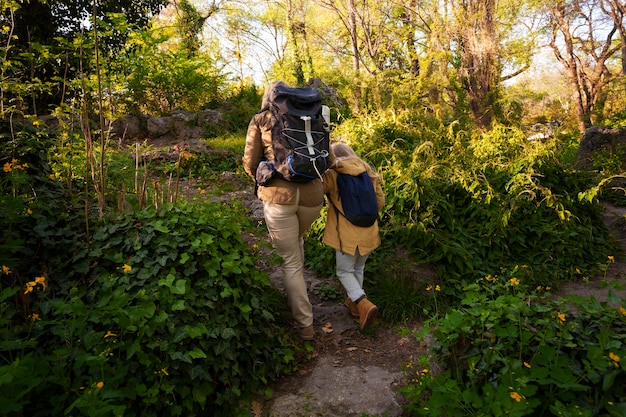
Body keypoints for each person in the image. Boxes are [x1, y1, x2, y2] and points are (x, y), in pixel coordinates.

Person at [242, 80, 330, 341]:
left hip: (279, 196)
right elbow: (328, 158)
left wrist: (260, 176)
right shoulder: (317, 115)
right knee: (296, 245)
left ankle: (305, 326)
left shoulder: (262, 119)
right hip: (313, 196)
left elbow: (249, 160)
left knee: (290, 262)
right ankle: (299, 299)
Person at [322, 143, 384, 330]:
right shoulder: (368, 172)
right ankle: (356, 307)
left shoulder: (333, 174)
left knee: (343, 271)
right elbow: (380, 203)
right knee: (358, 267)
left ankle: (363, 303)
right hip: (369, 233)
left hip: (346, 234)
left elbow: (316, 192)